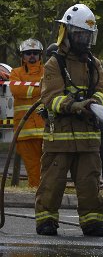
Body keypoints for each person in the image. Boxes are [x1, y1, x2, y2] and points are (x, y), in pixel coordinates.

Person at [34, 3, 103, 237]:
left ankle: (92, 222)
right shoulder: (54, 63)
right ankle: (46, 221)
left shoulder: (93, 64)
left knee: (89, 184)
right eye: (79, 34)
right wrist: (75, 105)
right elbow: (51, 98)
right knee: (52, 183)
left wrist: (95, 103)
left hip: (88, 139)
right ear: (67, 33)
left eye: (88, 36)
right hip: (60, 137)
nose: (84, 40)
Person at [9, 39, 45, 188]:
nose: (32, 56)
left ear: (40, 55)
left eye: (35, 53)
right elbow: (17, 90)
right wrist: (41, 89)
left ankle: (48, 196)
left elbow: (53, 88)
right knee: (33, 170)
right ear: (22, 56)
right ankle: (37, 197)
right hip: (25, 133)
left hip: (47, 131)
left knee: (49, 168)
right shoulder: (15, 73)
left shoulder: (48, 70)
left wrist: (33, 91)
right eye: (28, 53)